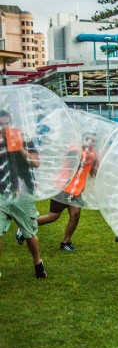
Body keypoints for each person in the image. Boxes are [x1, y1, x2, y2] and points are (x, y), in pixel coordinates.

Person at [18, 131, 99, 252]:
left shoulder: (94, 154)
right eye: (89, 140)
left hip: (77, 190)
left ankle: (65, 243)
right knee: (53, 216)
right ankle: (24, 228)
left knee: (75, 215)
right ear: (83, 140)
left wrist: (97, 162)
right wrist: (84, 155)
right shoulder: (74, 149)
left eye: (93, 141)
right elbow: (72, 164)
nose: (91, 143)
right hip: (63, 187)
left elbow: (93, 173)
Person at [0, 110, 47, 278]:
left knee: (29, 234)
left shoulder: (22, 138)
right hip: (1, 194)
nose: (3, 128)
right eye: (0, 124)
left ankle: (38, 262)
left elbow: (36, 163)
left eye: (6, 124)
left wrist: (20, 148)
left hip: (23, 194)